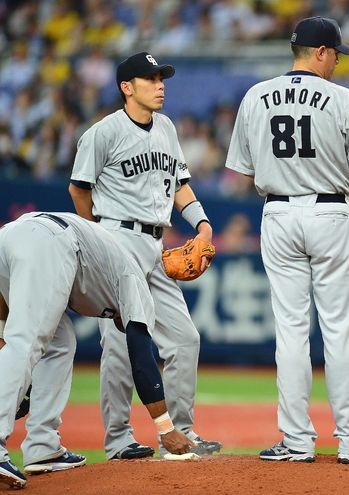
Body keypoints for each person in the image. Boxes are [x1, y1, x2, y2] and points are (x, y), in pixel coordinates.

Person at [225, 17, 349, 464]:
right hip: (330, 211)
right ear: (320, 52)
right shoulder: (345, 100)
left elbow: (245, 170)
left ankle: (296, 440)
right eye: (335, 54)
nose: (337, 62)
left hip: (277, 212)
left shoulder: (255, 96)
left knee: (290, 331)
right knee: (339, 330)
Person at [68, 52, 219, 460]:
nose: (160, 85)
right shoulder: (103, 132)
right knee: (120, 345)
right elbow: (78, 188)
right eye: (150, 79)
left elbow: (180, 185)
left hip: (156, 244)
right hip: (116, 238)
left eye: (161, 78)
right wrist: (97, 239)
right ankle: (118, 439)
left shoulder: (166, 128)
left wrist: (202, 224)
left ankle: (181, 433)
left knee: (184, 339)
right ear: (126, 87)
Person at [0, 212, 195, 490]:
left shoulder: (113, 268)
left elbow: (5, 297)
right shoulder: (137, 286)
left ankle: (42, 445)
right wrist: (166, 428)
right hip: (51, 240)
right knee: (27, 340)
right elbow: (141, 358)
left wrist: (3, 340)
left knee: (59, 342)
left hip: (11, 235)